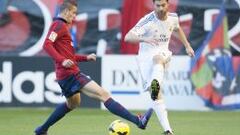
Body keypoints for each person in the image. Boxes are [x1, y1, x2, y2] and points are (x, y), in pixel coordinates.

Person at [34, 0, 153, 135]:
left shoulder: (62, 27)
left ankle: (42, 129)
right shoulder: (58, 25)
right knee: (104, 94)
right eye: (73, 13)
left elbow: (69, 56)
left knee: (72, 104)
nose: (74, 16)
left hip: (65, 75)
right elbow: (46, 44)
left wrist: (86, 58)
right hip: (70, 74)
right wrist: (62, 61)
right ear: (66, 11)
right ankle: (139, 121)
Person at [124, 0, 195, 135]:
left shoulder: (173, 17)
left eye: (163, 5)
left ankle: (155, 82)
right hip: (145, 57)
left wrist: (187, 46)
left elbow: (177, 28)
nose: (161, 8)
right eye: (158, 5)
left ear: (168, 4)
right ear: (153, 5)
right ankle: (168, 130)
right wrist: (144, 39)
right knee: (155, 96)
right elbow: (128, 37)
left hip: (161, 52)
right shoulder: (147, 21)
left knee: (158, 58)